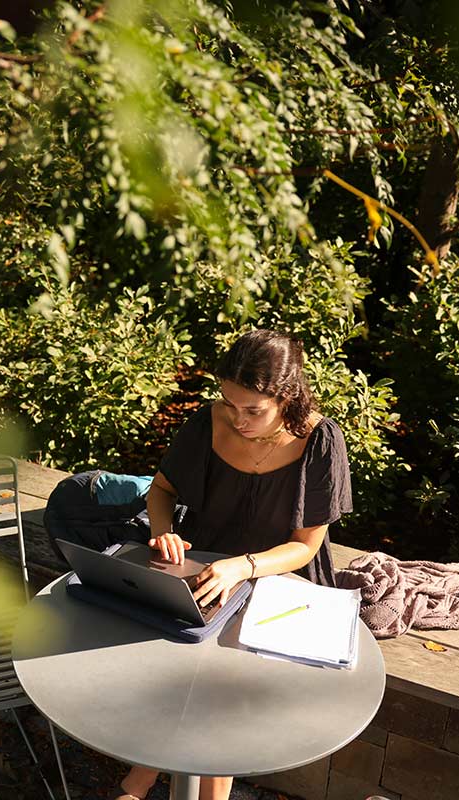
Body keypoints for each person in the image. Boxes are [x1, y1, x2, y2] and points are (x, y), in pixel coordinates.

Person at [111, 329, 353, 800]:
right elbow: (160, 490)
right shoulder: (210, 422)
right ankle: (147, 783)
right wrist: (164, 531)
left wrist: (241, 567)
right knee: (189, 670)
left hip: (282, 580)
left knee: (220, 686)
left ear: (286, 397)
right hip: (203, 567)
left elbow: (304, 547)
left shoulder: (322, 441)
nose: (238, 420)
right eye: (229, 403)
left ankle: (139, 782)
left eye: (253, 410)